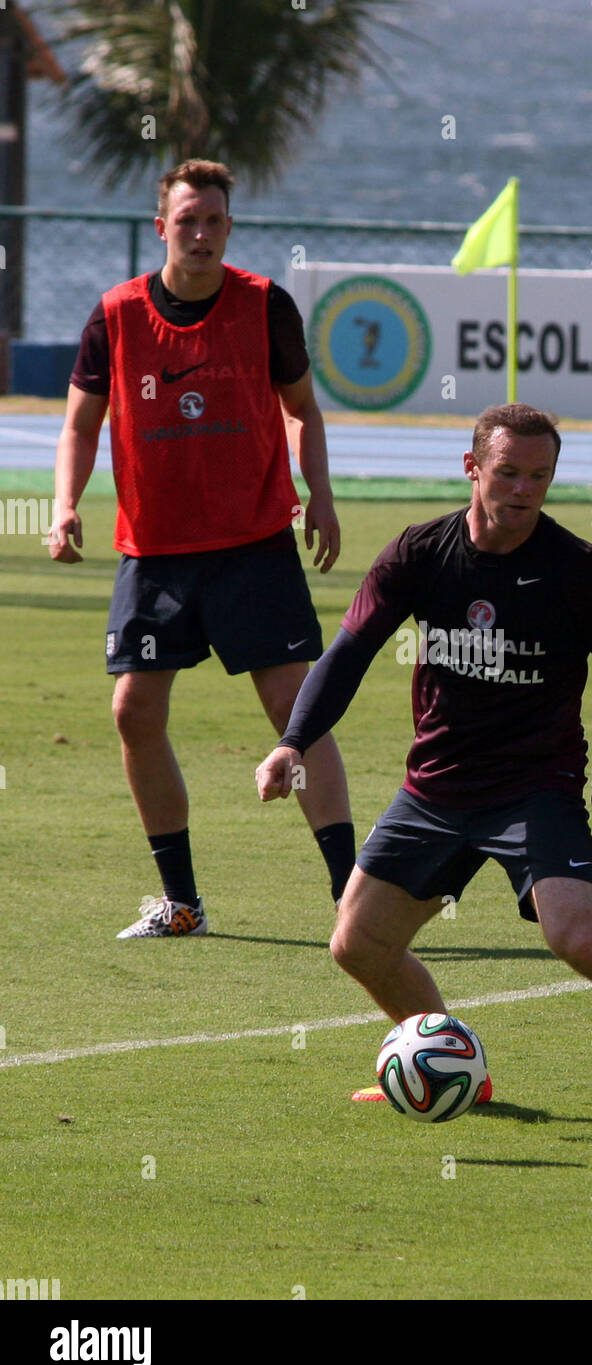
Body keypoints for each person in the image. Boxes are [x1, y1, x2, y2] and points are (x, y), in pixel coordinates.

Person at [256, 403, 592, 1130]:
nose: (523, 489)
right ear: (472, 468)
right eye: (508, 472)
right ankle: (454, 1065)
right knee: (357, 944)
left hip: (534, 790)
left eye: (539, 476)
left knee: (578, 937)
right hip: (435, 788)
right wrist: (292, 743)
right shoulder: (419, 553)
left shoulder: (578, 571)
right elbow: (349, 655)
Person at [50, 159, 354, 938]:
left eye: (214, 220)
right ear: (162, 228)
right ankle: (181, 902)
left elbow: (303, 411)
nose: (200, 233)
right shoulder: (115, 315)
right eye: (187, 219)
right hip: (153, 553)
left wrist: (318, 493)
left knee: (296, 712)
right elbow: (81, 425)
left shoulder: (263, 306)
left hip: (252, 544)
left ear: (228, 228)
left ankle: (352, 898)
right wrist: (64, 507)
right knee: (133, 710)